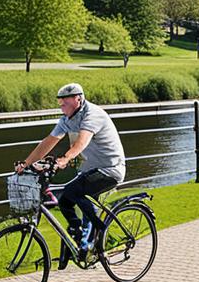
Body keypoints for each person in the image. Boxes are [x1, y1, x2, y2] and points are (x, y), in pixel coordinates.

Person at [17, 83, 126, 258]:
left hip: (110, 169)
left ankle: (99, 231)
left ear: (78, 99)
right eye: (60, 103)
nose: (61, 106)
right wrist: (26, 163)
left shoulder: (92, 114)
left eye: (65, 102)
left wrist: (65, 158)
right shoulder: (67, 119)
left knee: (73, 192)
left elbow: (82, 141)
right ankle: (79, 236)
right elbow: (48, 142)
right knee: (64, 201)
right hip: (89, 170)